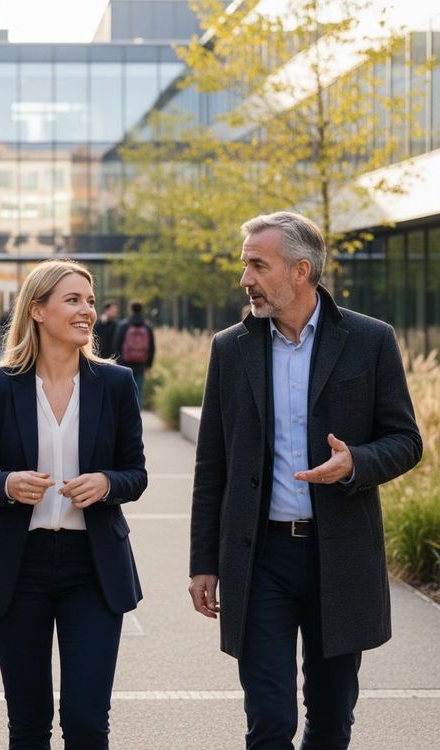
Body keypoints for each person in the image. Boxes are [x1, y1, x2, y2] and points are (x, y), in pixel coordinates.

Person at [188, 211, 422, 749]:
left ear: (300, 270)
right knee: (269, 720)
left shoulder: (370, 340)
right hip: (260, 558)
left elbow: (406, 440)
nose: (244, 278)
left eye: (256, 265)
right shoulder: (231, 347)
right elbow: (212, 464)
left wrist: (356, 463)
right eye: (245, 264)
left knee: (332, 718)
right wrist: (204, 562)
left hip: (339, 557)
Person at [0, 259, 147, 749]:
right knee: (28, 724)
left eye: (89, 300)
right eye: (73, 300)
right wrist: (7, 485)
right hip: (18, 568)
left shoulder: (115, 383)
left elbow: (137, 474)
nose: (87, 310)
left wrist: (107, 484)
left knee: (87, 722)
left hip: (93, 568)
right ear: (38, 310)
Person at [113, 300, 155, 408]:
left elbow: (117, 344)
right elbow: (152, 346)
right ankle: (137, 415)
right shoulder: (147, 326)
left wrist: (118, 361)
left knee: (124, 389)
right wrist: (149, 364)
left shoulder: (124, 325)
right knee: (138, 390)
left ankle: (125, 415)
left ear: (130, 309)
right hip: (141, 363)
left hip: (125, 363)